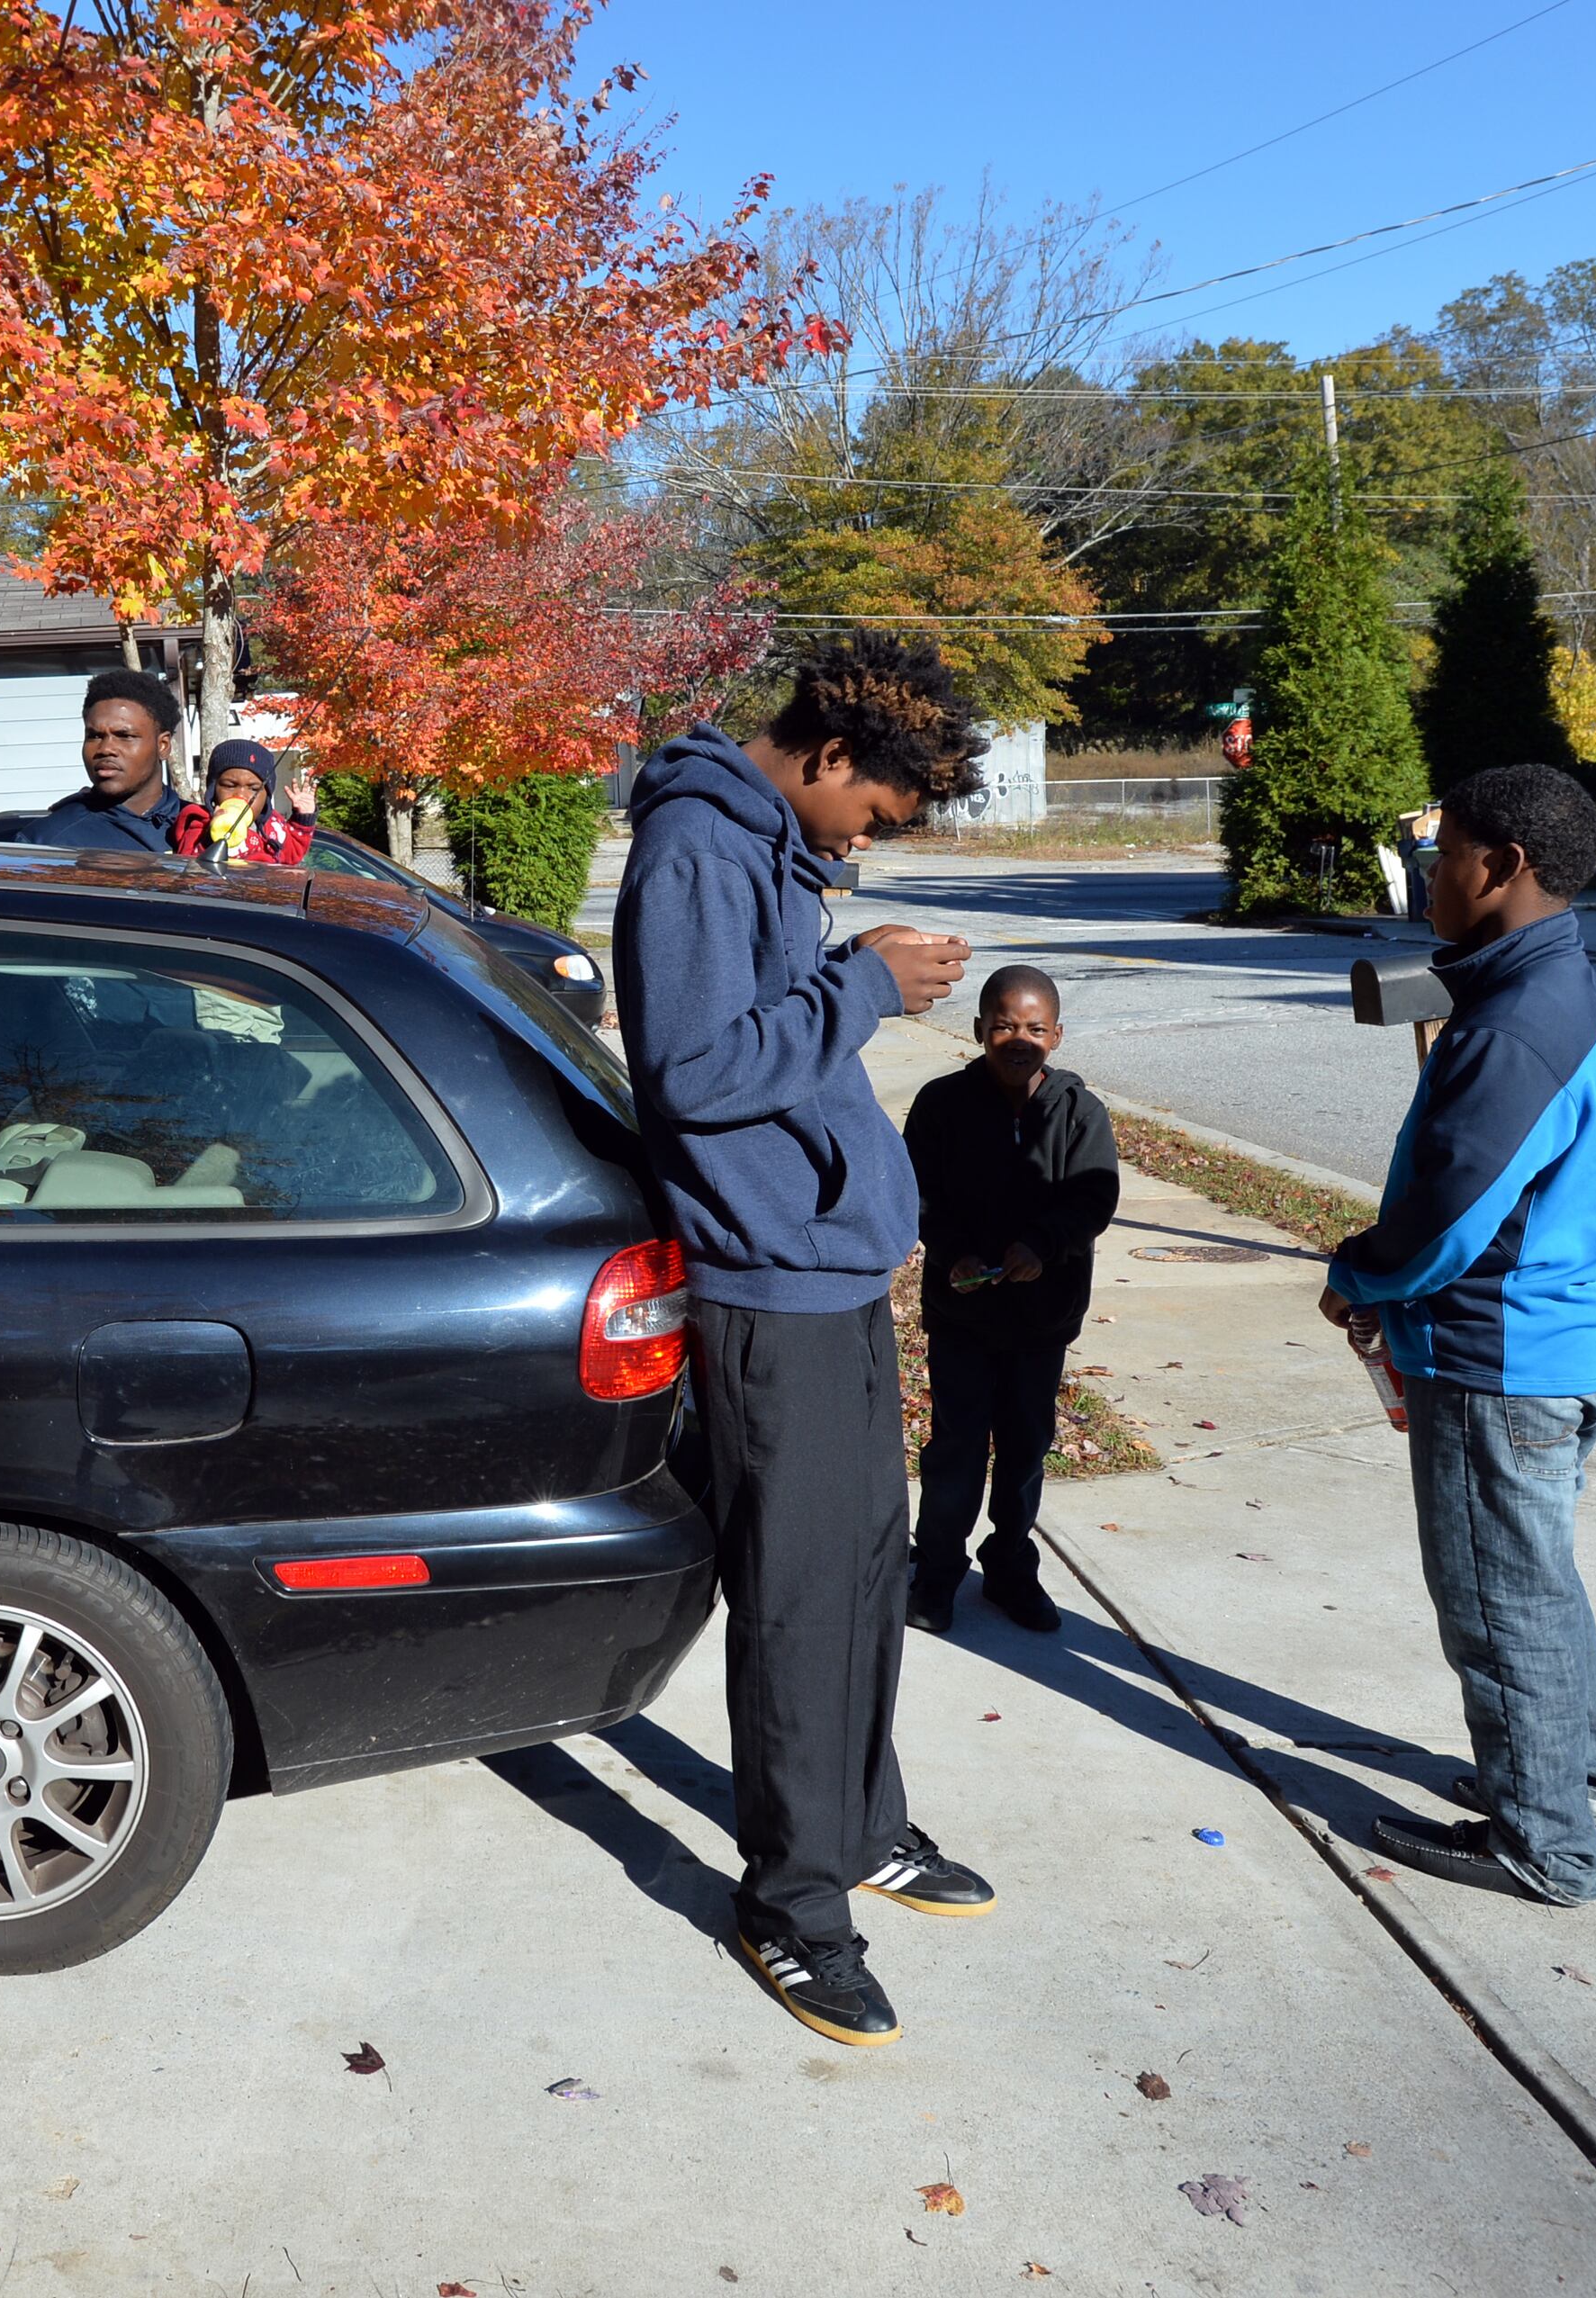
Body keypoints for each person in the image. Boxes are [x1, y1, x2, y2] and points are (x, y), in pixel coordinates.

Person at [615, 635, 989, 2050]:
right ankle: (792, 1905)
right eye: (878, 813)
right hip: (763, 1287)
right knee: (794, 1604)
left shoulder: (765, 849)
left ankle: (863, 1824)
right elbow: (698, 1073)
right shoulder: (703, 848)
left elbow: (763, 1030)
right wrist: (868, 986)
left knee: (856, 1582)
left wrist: (845, 967)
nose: (873, 840)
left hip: (824, 1272)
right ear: (830, 756)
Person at [1320, 763, 1596, 1906]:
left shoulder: (1517, 1027)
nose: (1430, 871)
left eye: (1444, 849)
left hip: (1494, 1357)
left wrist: (1361, 1273)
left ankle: (1545, 1839)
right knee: (1537, 1581)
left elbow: (1455, 1211)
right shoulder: (1561, 986)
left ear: (1501, 866)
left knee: (1498, 1602)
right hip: (1552, 1338)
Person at [902, 965, 1120, 1636]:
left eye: (1033, 1027)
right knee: (957, 1450)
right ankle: (937, 1571)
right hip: (963, 1313)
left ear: (1056, 1035)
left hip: (1040, 1317)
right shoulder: (941, 1104)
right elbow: (917, 1192)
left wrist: (1044, 1243)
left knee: (1026, 1447)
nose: (1017, 1038)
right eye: (1002, 1025)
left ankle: (1009, 1566)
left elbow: (1094, 1195)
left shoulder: (1080, 1113)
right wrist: (951, 1249)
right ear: (978, 1030)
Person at [23, 668, 194, 851]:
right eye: (95, 736)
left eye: (125, 736)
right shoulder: (47, 841)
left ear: (163, 745)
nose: (105, 749)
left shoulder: (205, 827)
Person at [172, 737, 316, 866]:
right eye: (229, 786)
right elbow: (189, 867)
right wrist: (212, 835)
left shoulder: (272, 826)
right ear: (213, 790)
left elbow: (293, 855)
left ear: (267, 796)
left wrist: (303, 819)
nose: (241, 795)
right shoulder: (200, 824)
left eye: (253, 788)